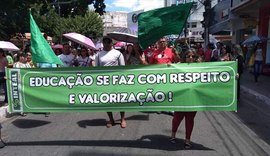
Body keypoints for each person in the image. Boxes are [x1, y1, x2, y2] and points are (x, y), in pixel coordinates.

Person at [95, 36, 127, 128]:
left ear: (111, 43)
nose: (106, 44)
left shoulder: (118, 53)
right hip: (104, 82)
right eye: (104, 42)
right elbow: (96, 69)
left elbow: (123, 67)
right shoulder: (98, 54)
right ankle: (111, 119)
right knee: (107, 101)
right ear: (103, 43)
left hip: (117, 81)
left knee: (121, 100)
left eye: (108, 42)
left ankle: (122, 119)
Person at [170, 48, 199, 149]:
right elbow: (169, 75)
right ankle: (173, 134)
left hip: (193, 98)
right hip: (181, 98)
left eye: (193, 56)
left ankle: (187, 140)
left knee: (190, 120)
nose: (190, 58)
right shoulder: (178, 66)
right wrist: (168, 67)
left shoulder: (202, 67)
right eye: (188, 56)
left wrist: (233, 76)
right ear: (184, 57)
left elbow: (216, 75)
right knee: (177, 118)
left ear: (196, 58)